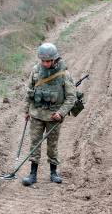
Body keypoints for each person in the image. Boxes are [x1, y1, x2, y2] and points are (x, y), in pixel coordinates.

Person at [22, 43, 76, 186]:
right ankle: (32, 174)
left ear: (54, 59)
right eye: (43, 61)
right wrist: (26, 110)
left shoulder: (64, 74)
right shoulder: (35, 71)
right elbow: (29, 92)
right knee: (34, 143)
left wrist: (61, 113)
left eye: (48, 61)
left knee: (52, 145)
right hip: (37, 114)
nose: (45, 64)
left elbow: (71, 97)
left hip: (53, 116)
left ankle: (53, 172)